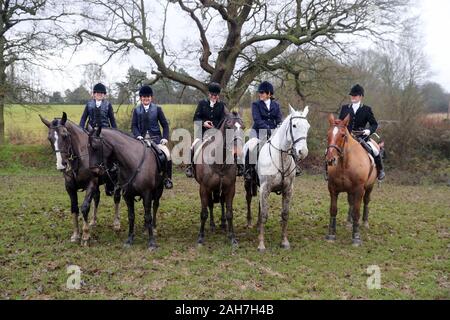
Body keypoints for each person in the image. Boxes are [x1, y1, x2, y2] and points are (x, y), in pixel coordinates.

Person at [185, 82, 245, 177]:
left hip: (218, 133)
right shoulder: (202, 104)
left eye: (216, 95)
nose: (214, 97)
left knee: (231, 146)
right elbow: (196, 118)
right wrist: (204, 123)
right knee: (193, 146)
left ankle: (239, 165)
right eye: (212, 95)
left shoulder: (222, 105)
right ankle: (190, 167)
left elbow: (225, 120)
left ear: (218, 95)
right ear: (209, 94)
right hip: (203, 133)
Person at [336, 84, 385, 180]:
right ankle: (327, 170)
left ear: (361, 96)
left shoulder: (366, 109)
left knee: (375, 151)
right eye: (352, 95)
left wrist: (368, 130)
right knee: (330, 149)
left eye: (355, 95)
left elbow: (374, 124)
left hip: (361, 137)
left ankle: (380, 171)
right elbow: (340, 123)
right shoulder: (345, 108)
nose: (353, 97)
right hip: (346, 136)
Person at [131, 85, 173, 189]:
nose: (146, 98)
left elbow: (165, 125)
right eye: (144, 97)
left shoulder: (157, 109)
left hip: (156, 139)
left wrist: (165, 137)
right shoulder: (136, 110)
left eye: (148, 96)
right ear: (141, 98)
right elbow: (134, 126)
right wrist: (138, 135)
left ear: (151, 97)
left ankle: (167, 178)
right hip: (141, 140)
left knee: (167, 155)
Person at [80, 82, 117, 196]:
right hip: (91, 132)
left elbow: (112, 121)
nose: (99, 94)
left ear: (104, 95)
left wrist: (115, 134)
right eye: (97, 93)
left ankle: (111, 182)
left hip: (105, 133)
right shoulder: (89, 104)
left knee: (111, 156)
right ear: (93, 94)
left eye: (101, 93)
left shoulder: (108, 105)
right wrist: (82, 131)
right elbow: (83, 119)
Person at [244, 81, 284, 180]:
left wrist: (279, 128)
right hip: (258, 131)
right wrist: (268, 129)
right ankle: (249, 170)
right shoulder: (256, 104)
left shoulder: (276, 105)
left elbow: (279, 119)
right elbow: (257, 120)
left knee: (285, 145)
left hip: (273, 132)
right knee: (252, 146)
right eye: (259, 92)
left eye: (262, 92)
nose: (260, 94)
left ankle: (291, 168)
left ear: (269, 94)